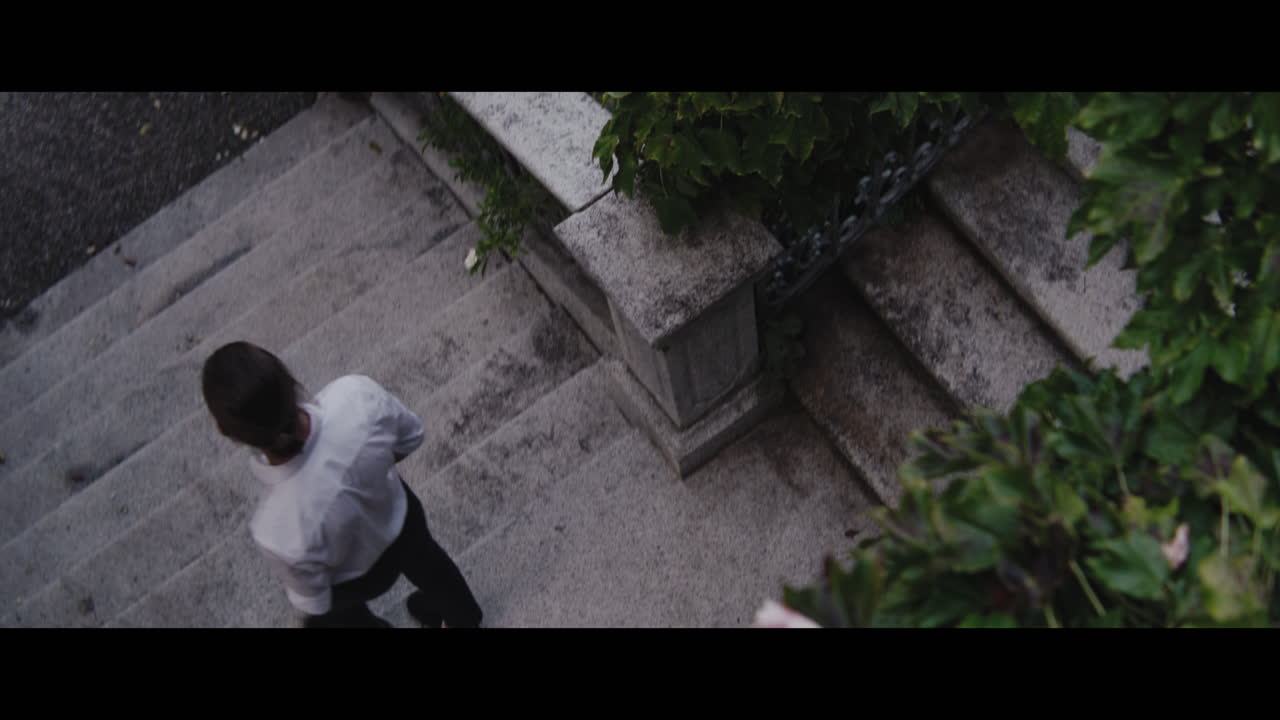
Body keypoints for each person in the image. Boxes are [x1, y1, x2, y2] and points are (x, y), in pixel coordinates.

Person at [200, 341, 482, 628]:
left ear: (226, 431)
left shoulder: (274, 531)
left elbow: (314, 599)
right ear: (289, 378)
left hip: (357, 580)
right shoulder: (356, 396)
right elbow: (411, 438)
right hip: (404, 521)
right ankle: (464, 618)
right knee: (433, 567)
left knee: (327, 621)